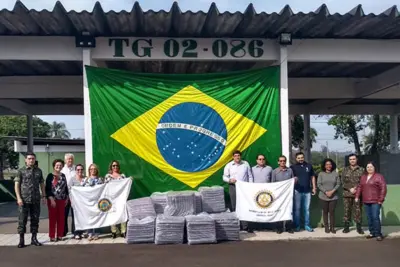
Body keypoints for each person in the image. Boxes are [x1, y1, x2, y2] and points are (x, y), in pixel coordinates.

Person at [14, 152, 46, 248]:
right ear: (26, 160)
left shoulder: (38, 171)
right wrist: (19, 198)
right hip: (23, 200)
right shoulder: (21, 171)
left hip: (35, 200)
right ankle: (21, 240)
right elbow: (16, 185)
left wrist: (44, 196)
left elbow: (42, 184)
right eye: (29, 158)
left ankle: (34, 239)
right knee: (22, 220)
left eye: (33, 158)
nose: (31, 160)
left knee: (35, 220)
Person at [223, 150, 254, 233]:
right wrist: (230, 180)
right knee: (234, 206)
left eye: (238, 155)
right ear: (233, 157)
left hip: (244, 188)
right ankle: (236, 226)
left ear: (240, 156)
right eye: (235, 156)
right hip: (233, 186)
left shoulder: (245, 164)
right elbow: (224, 177)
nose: (237, 157)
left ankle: (245, 227)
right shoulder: (229, 165)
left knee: (245, 206)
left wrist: (250, 186)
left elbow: (250, 176)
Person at [355, 162, 387, 241]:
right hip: (366, 201)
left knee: (375, 217)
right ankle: (372, 232)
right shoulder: (363, 177)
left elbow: (383, 188)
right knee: (369, 218)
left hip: (376, 201)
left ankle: (378, 234)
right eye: (368, 167)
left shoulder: (379, 176)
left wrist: (381, 199)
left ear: (374, 168)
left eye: (371, 167)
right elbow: (360, 187)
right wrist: (357, 196)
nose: (369, 168)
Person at [290, 152, 316, 232]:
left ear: (304, 158)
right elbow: (290, 179)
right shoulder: (292, 167)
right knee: (297, 209)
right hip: (297, 191)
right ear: (296, 158)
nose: (300, 159)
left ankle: (307, 225)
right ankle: (297, 226)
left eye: (302, 157)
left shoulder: (309, 166)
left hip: (307, 191)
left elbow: (312, 177)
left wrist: (314, 188)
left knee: (306, 209)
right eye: (299, 158)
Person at [45, 159, 69, 242]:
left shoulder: (63, 176)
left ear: (62, 166)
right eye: (57, 165)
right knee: (53, 218)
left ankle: (60, 235)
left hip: (62, 200)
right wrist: (51, 199)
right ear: (54, 166)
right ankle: (52, 236)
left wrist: (67, 198)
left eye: (60, 165)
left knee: (61, 218)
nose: (58, 167)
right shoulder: (50, 176)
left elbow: (66, 188)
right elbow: (47, 189)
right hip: (53, 200)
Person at [341, 153, 364, 234]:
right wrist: (349, 188)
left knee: (358, 211)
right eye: (350, 159)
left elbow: (363, 182)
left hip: (358, 195)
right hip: (347, 194)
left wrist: (356, 188)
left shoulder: (362, 170)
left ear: (356, 159)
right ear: (349, 160)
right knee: (347, 211)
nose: (352, 161)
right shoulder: (344, 169)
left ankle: (359, 228)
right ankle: (346, 227)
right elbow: (342, 182)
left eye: (353, 159)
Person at [271, 155, 295, 234]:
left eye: (284, 161)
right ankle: (279, 228)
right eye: (281, 161)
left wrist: (295, 180)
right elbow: (272, 184)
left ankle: (289, 228)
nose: (282, 162)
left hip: (288, 195)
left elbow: (292, 182)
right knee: (279, 211)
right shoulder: (274, 171)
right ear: (278, 162)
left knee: (288, 211)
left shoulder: (290, 170)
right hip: (278, 195)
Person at [104, 160, 127, 239]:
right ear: (111, 167)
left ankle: (123, 231)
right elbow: (105, 186)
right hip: (111, 198)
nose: (115, 167)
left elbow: (125, 185)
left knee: (122, 213)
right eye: (113, 165)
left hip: (121, 198)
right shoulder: (108, 176)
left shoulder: (123, 176)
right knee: (112, 214)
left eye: (116, 165)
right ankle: (113, 231)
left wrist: (129, 180)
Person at [317, 159, 341, 234]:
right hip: (323, 196)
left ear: (332, 165)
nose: (328, 166)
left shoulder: (336, 174)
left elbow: (338, 184)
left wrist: (332, 191)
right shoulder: (321, 174)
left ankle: (332, 227)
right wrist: (326, 192)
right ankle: (326, 227)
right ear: (324, 166)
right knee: (325, 212)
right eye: (327, 164)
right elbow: (319, 184)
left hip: (333, 196)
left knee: (332, 212)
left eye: (330, 164)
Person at [83, 163, 103, 241]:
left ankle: (97, 233)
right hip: (88, 203)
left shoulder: (100, 179)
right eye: (91, 169)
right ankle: (90, 233)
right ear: (89, 170)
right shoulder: (85, 179)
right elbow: (80, 189)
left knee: (97, 217)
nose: (93, 170)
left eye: (94, 169)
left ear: (97, 170)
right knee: (90, 218)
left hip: (97, 202)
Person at [69, 164, 86, 239]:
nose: (80, 171)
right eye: (78, 169)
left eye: (81, 169)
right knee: (75, 217)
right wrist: (71, 201)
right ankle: (75, 233)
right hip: (75, 202)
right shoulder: (72, 179)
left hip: (84, 202)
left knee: (83, 217)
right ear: (75, 170)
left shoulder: (85, 179)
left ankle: (82, 232)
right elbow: (69, 191)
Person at [61, 153, 76, 237]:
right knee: (64, 214)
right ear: (65, 160)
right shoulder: (62, 170)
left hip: (74, 195)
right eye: (68, 159)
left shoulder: (76, 169)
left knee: (75, 214)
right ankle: (64, 231)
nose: (70, 160)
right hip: (65, 195)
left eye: (71, 159)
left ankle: (75, 231)